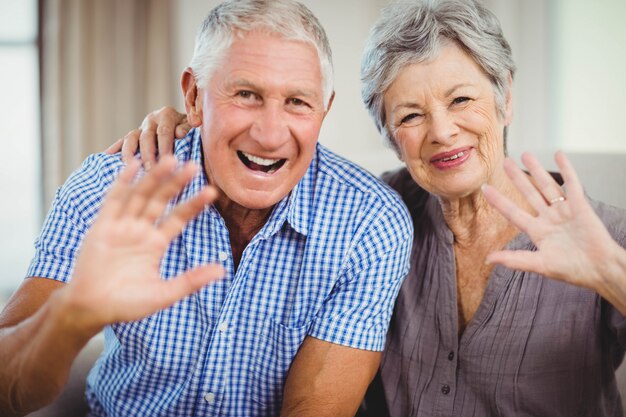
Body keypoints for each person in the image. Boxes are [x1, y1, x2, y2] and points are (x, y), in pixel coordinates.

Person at [123, 0, 626, 416]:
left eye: (461, 100)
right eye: (410, 115)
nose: (442, 131)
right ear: (389, 136)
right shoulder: (372, 218)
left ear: (505, 98)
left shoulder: (604, 235)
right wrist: (190, 121)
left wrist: (611, 275)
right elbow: (270, 165)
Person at [0, 1, 413, 416]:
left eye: (297, 102)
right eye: (246, 95)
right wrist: (72, 317)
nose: (270, 135)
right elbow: (8, 386)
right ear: (194, 96)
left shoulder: (370, 223)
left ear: (324, 110)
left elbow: (315, 408)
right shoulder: (109, 187)